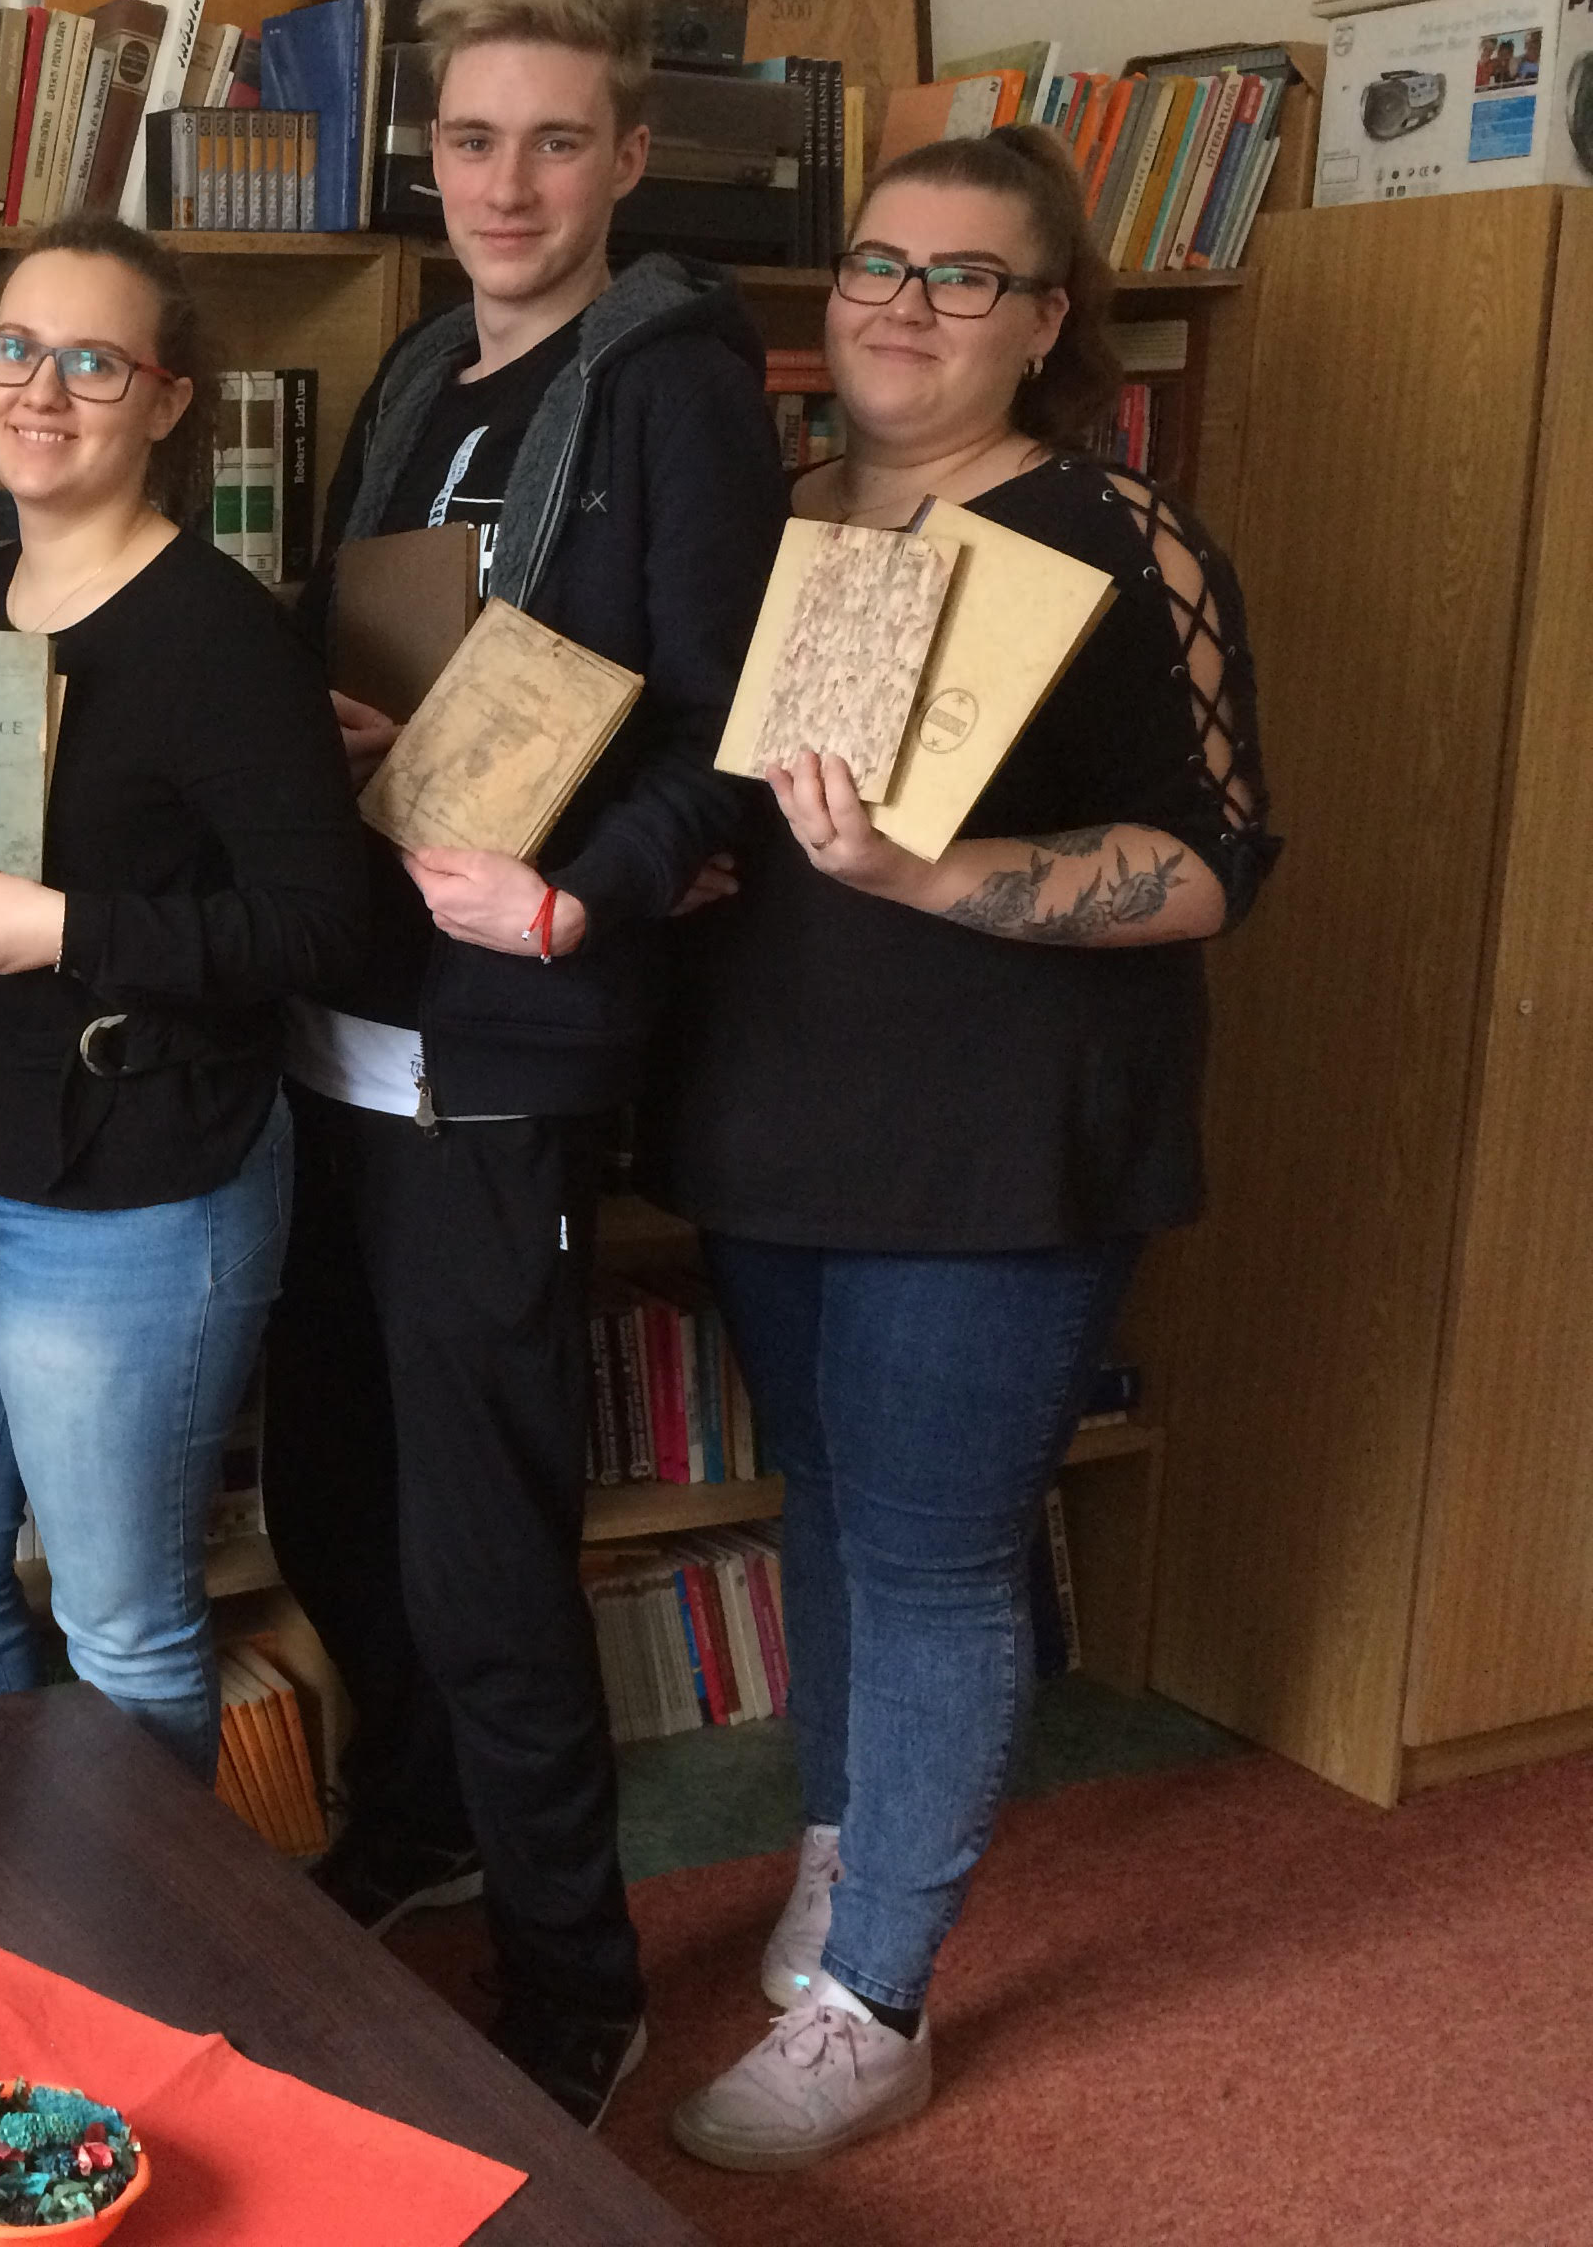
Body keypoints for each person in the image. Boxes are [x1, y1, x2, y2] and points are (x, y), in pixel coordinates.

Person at [650, 126, 1277, 2171]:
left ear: (1046, 318)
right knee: (830, 1507)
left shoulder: (1121, 537)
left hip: (1005, 1141)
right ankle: (853, 1845)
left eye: (964, 275)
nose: (904, 306)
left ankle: (880, 2004)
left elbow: (1212, 863)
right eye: (876, 264)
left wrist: (935, 875)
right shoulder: (777, 519)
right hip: (779, 1108)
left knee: (933, 1554)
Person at [253, 0, 787, 2123]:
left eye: (555, 143)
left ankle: (577, 1975)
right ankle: (418, 1823)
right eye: (473, 140)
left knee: (484, 1538)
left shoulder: (672, 389)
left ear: (628, 157)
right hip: (344, 1013)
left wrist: (583, 891)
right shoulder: (415, 372)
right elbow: (404, 648)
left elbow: (734, 728)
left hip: (503, 1029)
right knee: (337, 1489)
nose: (506, 183)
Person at [0, 216, 378, 1780]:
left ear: (167, 400)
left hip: (143, 1184)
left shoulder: (224, 634)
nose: (40, 390)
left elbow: (321, 927)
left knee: (124, 1622)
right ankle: (12, 1895)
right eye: (14, 350)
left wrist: (72, 928)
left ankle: (141, 1927)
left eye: (93, 361)